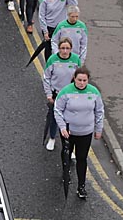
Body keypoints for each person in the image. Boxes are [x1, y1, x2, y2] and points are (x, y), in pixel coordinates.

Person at [54, 67, 105, 200]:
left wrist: (98, 129)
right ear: (74, 79)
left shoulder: (94, 92)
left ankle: (81, 186)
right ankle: (66, 175)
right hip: (69, 132)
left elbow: (99, 111)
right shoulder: (66, 92)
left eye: (84, 80)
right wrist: (62, 127)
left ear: (88, 80)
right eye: (79, 80)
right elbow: (58, 110)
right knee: (66, 153)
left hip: (85, 132)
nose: (82, 83)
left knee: (82, 159)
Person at [42, 38, 81, 151]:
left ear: (71, 49)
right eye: (62, 48)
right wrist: (49, 94)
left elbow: (79, 78)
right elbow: (46, 78)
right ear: (58, 49)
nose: (65, 51)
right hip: (56, 94)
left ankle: (69, 145)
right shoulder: (53, 60)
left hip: (70, 95)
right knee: (55, 118)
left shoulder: (75, 60)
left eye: (67, 48)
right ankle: (52, 138)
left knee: (70, 120)